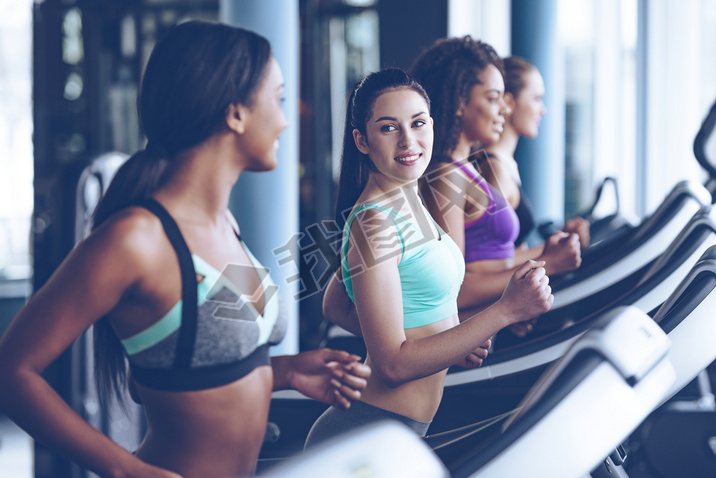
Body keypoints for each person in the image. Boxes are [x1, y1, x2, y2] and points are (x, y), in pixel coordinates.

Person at [0, 20, 370, 478]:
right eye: (277, 99)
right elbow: (12, 370)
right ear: (235, 114)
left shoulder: (224, 225)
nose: (286, 118)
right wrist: (123, 469)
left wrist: (288, 371)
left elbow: (187, 369)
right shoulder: (137, 239)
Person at [305, 68, 553, 448]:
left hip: (399, 429)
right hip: (368, 432)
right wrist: (504, 312)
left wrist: (452, 341)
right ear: (361, 140)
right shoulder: (374, 221)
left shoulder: (409, 196)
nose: (408, 140)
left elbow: (335, 305)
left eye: (418, 123)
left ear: (432, 125)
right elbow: (391, 365)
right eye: (389, 128)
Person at [408, 36, 581, 332]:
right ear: (460, 102)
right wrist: (546, 264)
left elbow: (488, 262)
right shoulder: (446, 177)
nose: (504, 109)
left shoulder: (464, 171)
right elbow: (452, 291)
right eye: (492, 98)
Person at [483, 56, 590, 249]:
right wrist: (552, 251)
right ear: (509, 102)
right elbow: (490, 260)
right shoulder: (493, 170)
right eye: (536, 99)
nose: (543, 110)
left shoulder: (506, 163)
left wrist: (561, 241)